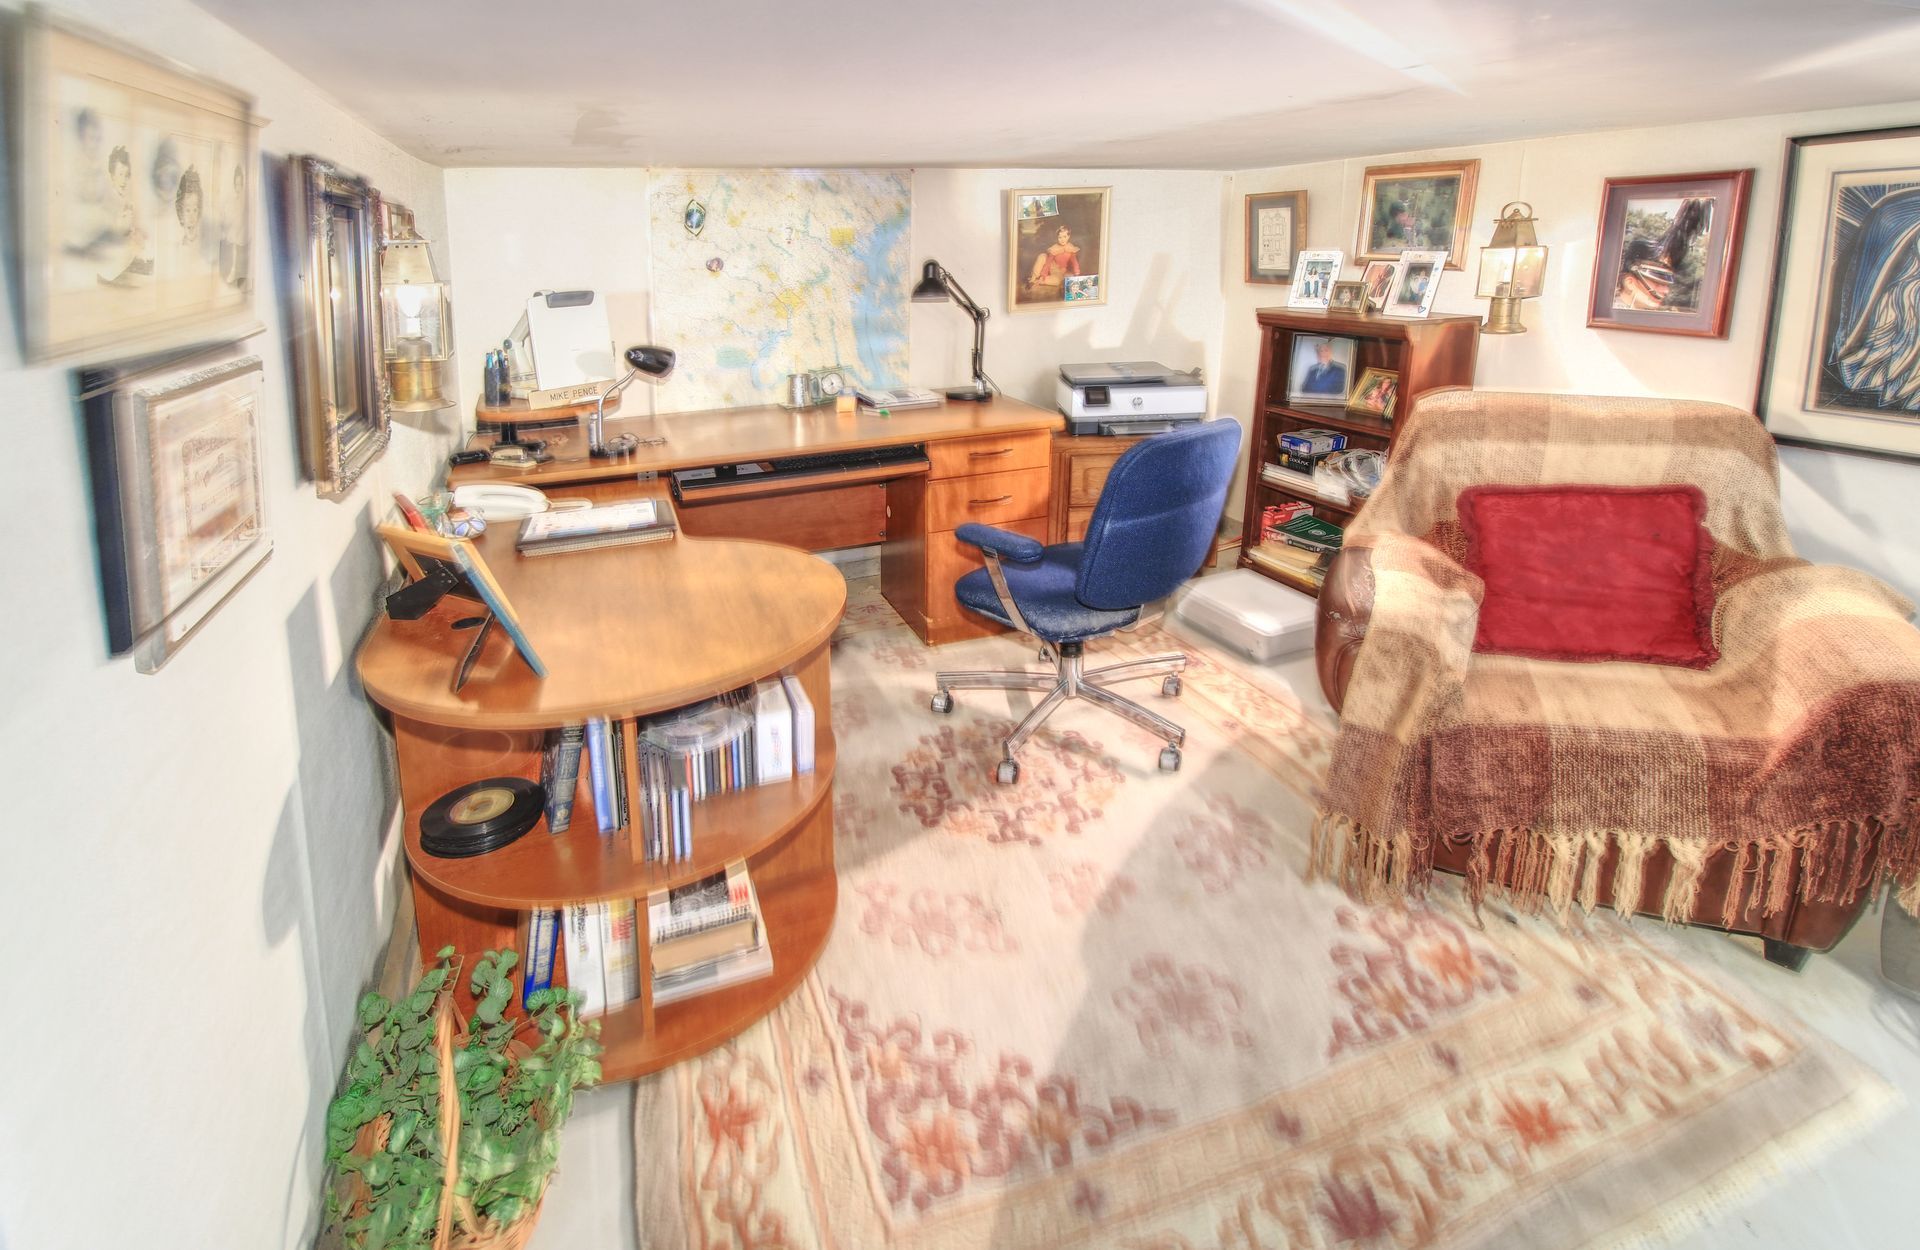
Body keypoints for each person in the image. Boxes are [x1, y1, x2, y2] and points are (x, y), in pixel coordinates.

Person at [1025, 224, 1081, 300]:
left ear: (1068, 237)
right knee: (1042, 256)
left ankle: (1038, 281)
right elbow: (1048, 262)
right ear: (1057, 237)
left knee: (1057, 281)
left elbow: (1074, 262)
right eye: (1060, 237)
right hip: (1051, 267)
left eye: (1064, 237)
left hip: (1061, 271)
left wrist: (1077, 273)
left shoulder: (1070, 247)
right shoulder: (1054, 248)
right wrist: (1043, 274)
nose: (1062, 239)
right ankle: (1033, 279)